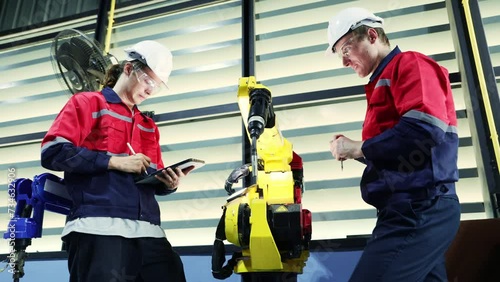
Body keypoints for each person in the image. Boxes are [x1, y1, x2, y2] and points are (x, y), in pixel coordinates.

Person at [326, 7, 461, 282]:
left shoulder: (411, 64)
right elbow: (400, 150)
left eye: (346, 50)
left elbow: (425, 129)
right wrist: (358, 150)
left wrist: (359, 147)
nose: (344, 62)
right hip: (407, 207)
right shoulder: (381, 84)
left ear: (372, 35)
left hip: (420, 207)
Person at [41, 40, 191, 282]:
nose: (151, 90)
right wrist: (114, 162)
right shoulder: (87, 103)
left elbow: (150, 176)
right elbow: (53, 151)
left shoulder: (147, 125)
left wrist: (167, 183)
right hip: (98, 228)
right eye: (148, 81)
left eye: (157, 85)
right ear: (130, 69)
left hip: (149, 232)